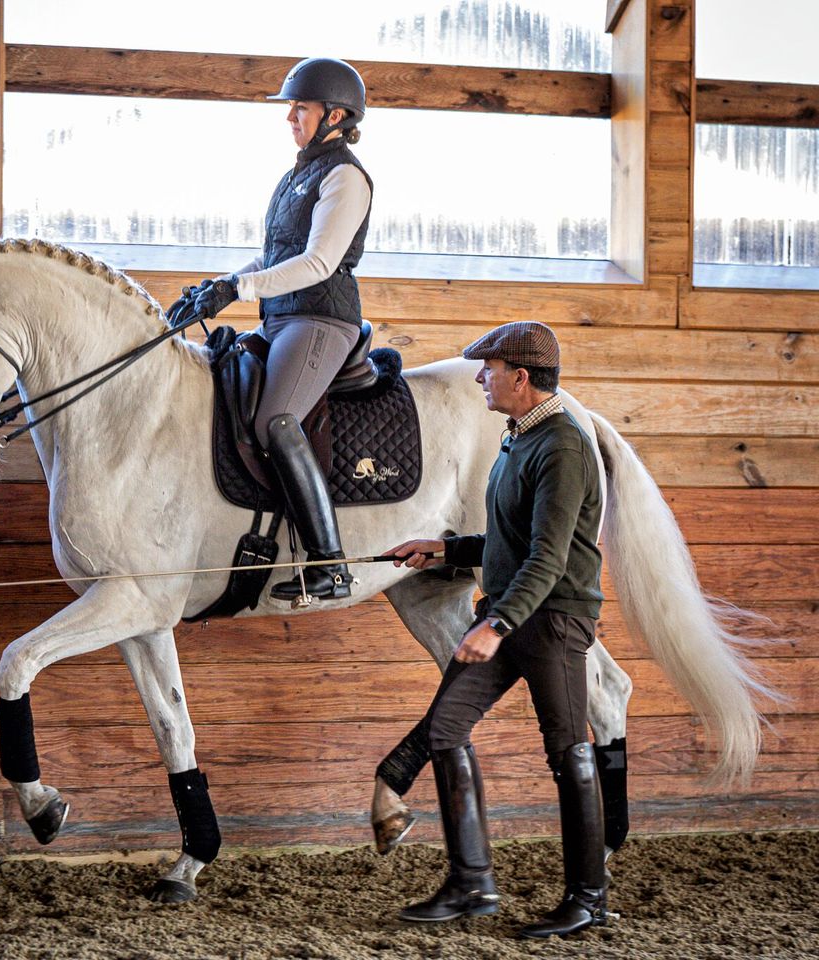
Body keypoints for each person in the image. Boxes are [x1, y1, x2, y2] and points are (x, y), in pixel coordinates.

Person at [384, 321, 609, 939]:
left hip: (553, 619)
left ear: (521, 376)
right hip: (512, 609)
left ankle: (589, 897)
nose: (480, 377)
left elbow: (550, 556)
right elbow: (511, 541)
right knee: (447, 726)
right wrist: (446, 549)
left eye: (488, 368)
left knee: (567, 750)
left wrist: (497, 626)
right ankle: (471, 882)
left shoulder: (562, 446)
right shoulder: (520, 438)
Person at [181, 56, 373, 602]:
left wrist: (240, 291)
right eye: (290, 108)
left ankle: (329, 563)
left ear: (335, 115)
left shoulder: (345, 177)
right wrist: (214, 289)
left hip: (320, 318)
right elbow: (271, 256)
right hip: (282, 315)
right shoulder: (297, 176)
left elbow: (318, 262)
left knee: (275, 419)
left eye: (301, 108)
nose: (291, 116)